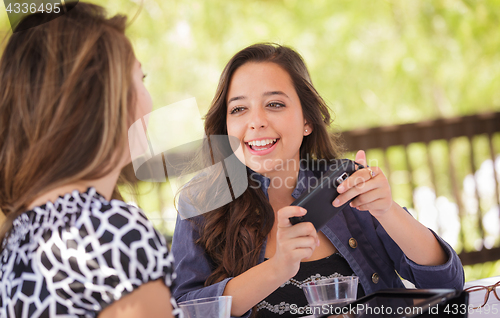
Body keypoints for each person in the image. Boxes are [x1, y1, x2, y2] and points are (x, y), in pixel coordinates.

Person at [171, 43, 464, 318]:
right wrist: (278, 268)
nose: (256, 121)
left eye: (274, 104)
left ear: (307, 121)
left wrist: (387, 210)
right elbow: (184, 310)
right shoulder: (200, 203)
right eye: (238, 109)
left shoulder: (346, 186)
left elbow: (447, 284)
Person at [0, 3, 181, 317]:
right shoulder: (116, 235)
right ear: (102, 99)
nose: (148, 99)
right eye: (142, 77)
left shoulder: (16, 236)